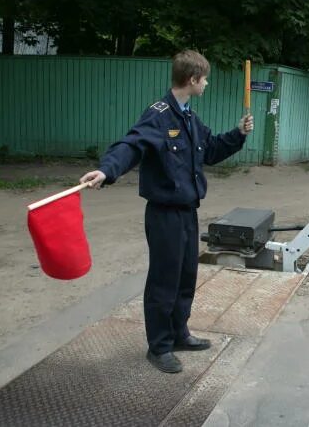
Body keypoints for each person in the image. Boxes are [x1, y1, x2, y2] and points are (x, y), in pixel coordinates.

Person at [80, 50, 253, 374]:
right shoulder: (159, 115)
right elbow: (131, 145)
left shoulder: (189, 117)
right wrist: (107, 170)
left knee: (186, 276)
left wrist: (238, 134)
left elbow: (211, 150)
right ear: (192, 79)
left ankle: (178, 334)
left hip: (187, 212)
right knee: (164, 280)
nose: (207, 83)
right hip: (163, 214)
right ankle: (158, 347)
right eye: (205, 79)